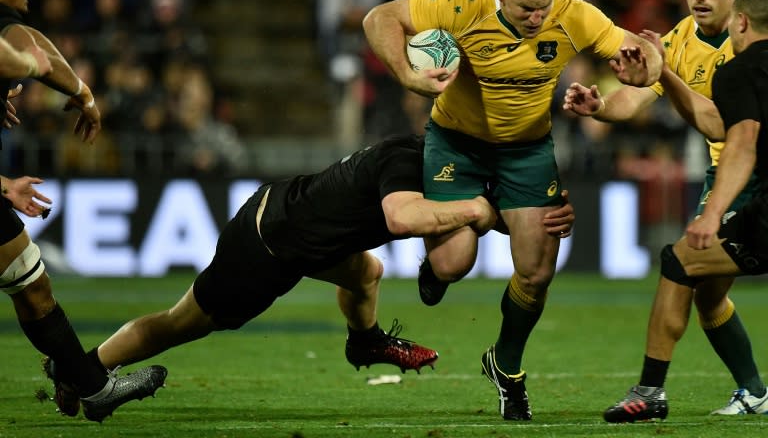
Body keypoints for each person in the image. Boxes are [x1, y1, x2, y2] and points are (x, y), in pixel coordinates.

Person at [54, 134, 574, 408]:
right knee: (180, 323)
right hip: (268, 246)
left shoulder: (436, 163)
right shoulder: (407, 162)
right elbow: (403, 216)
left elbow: (476, 206)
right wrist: (483, 215)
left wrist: (532, 219)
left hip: (298, 224)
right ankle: (80, 371)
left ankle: (365, 341)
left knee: (366, 271)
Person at [361, 0, 662, 421]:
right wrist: (408, 77)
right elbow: (380, 17)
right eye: (526, 10)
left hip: (526, 150)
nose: (536, 19)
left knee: (537, 273)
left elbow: (645, 56)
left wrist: (646, 68)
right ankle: (444, 261)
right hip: (456, 144)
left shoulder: (574, 16)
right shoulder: (464, 3)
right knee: (453, 262)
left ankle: (506, 365)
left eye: (543, 8)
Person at [563, 0, 768, 419]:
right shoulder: (677, 40)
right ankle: (754, 391)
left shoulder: (748, 51)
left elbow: (722, 125)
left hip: (749, 172)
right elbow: (635, 96)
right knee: (708, 294)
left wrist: (667, 76)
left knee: (684, 265)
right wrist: (601, 108)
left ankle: (652, 390)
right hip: (727, 171)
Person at [0, 0, 167, 422]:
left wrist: (81, 90)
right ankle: (88, 382)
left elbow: (31, 44)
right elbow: (25, 54)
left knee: (31, 285)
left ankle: (87, 382)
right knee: (31, 285)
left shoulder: (9, 24)